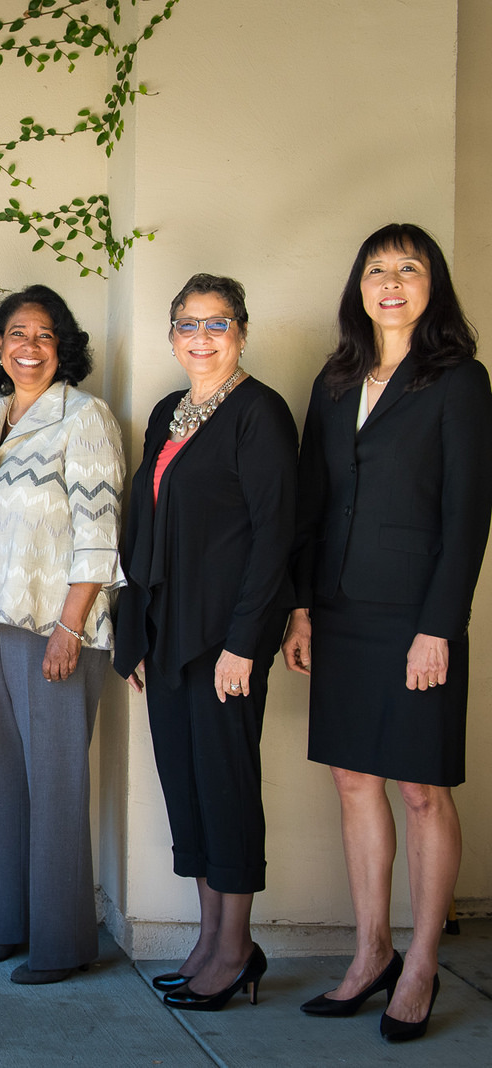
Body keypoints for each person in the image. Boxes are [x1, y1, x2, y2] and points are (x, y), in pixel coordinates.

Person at [283, 223, 492, 1042]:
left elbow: (468, 515)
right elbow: (309, 502)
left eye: (410, 268)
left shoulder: (460, 381)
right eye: (378, 270)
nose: (392, 282)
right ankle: (369, 954)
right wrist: (300, 606)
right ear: (359, 287)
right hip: (337, 611)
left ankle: (423, 961)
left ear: (432, 284)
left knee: (420, 789)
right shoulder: (333, 381)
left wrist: (440, 627)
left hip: (415, 617)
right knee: (353, 783)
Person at [113, 275, 298, 1011]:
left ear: (241, 332)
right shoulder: (169, 412)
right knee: (185, 788)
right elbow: (146, 528)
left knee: (225, 788)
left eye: (216, 323)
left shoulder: (260, 414)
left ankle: (235, 949)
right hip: (169, 636)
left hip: (224, 642)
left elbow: (274, 536)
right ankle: (208, 937)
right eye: (187, 323)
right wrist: (137, 634)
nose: (201, 337)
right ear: (172, 335)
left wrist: (244, 643)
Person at [0, 284, 125, 985]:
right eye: (16, 334)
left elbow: (100, 531)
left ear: (64, 348)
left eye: (44, 335)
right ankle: (0, 925)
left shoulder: (84, 417)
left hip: (55, 627)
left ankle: (60, 944)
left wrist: (70, 626)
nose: (29, 346)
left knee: (55, 782)